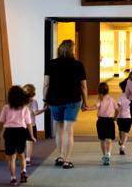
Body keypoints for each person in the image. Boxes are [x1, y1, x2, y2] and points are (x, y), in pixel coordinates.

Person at [43, 39, 88, 169]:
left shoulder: (51, 64)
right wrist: (85, 102)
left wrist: (45, 100)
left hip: (55, 101)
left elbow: (46, 84)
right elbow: (84, 87)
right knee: (69, 130)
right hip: (73, 100)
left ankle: (61, 156)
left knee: (59, 129)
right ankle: (67, 160)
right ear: (72, 50)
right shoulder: (78, 65)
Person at [0, 86, 36, 186]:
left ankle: (13, 178)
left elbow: (1, 122)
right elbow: (29, 123)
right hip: (21, 132)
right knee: (21, 155)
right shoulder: (25, 108)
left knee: (12, 157)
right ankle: (23, 173)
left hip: (9, 132)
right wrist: (31, 136)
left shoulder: (5, 107)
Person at [85, 82, 119, 165]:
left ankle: (104, 155)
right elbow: (118, 109)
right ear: (108, 90)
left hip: (101, 121)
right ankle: (108, 154)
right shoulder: (112, 99)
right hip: (110, 121)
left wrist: (87, 108)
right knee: (109, 139)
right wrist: (115, 117)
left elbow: (95, 107)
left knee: (102, 140)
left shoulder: (100, 99)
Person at [22, 84, 48, 166]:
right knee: (29, 142)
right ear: (33, 94)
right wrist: (44, 109)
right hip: (31, 125)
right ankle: (28, 159)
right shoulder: (33, 102)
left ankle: (20, 156)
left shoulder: (19, 102)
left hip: (20, 125)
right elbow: (36, 113)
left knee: (21, 142)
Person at [116, 78, 131, 155]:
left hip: (120, 117)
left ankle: (121, 141)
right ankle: (123, 146)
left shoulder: (121, 96)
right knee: (126, 132)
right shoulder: (131, 96)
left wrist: (115, 115)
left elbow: (118, 106)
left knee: (121, 130)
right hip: (128, 117)